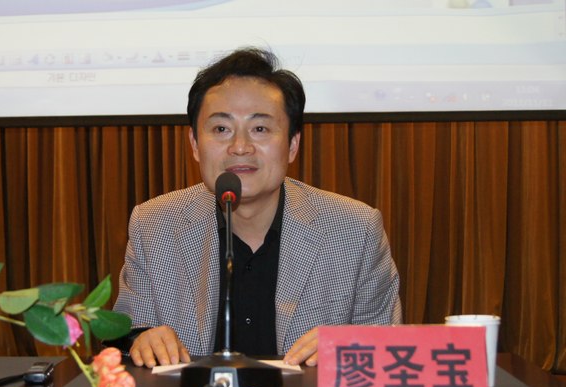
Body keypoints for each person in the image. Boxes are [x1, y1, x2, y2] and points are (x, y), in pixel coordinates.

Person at [113, 47, 402, 369]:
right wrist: (141, 339)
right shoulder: (154, 225)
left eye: (260, 129)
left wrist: (350, 346)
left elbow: (389, 346)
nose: (240, 147)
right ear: (194, 144)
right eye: (221, 129)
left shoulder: (355, 229)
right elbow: (126, 334)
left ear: (292, 145)